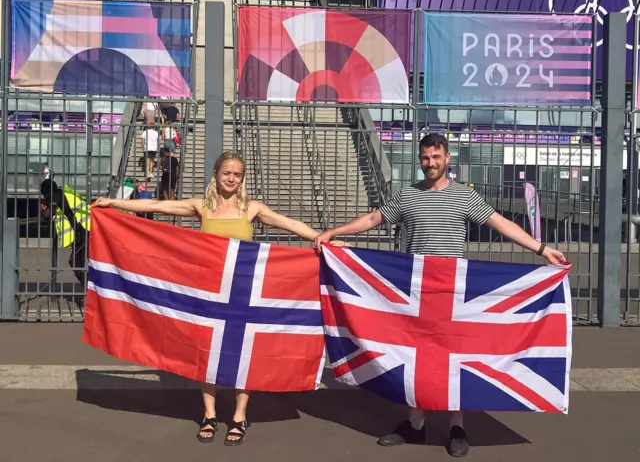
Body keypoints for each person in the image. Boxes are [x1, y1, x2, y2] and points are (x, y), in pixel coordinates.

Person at [314, 133, 567, 458]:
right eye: (425, 158)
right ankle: (415, 423)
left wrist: (542, 249)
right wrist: (334, 232)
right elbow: (373, 219)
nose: (430, 163)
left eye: (436, 157)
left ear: (447, 159)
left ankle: (456, 425)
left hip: (454, 294)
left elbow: (501, 223)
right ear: (420, 160)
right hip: (416, 294)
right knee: (419, 355)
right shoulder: (407, 196)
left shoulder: (464, 197)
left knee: (453, 355)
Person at [94, 151, 345, 447]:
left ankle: (239, 416)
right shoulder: (201, 206)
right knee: (207, 351)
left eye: (237, 174)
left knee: (244, 352)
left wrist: (321, 238)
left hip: (242, 293)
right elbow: (155, 204)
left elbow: (290, 224)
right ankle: (209, 414)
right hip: (208, 291)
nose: (231, 178)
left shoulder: (251, 208)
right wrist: (113, 203)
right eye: (227, 172)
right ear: (216, 174)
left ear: (242, 178)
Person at [40, 176, 91, 289]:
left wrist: (43, 209)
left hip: (83, 231)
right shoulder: (65, 194)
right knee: (83, 261)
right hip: (86, 230)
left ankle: (89, 290)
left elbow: (48, 214)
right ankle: (91, 290)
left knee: (76, 262)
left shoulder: (55, 196)